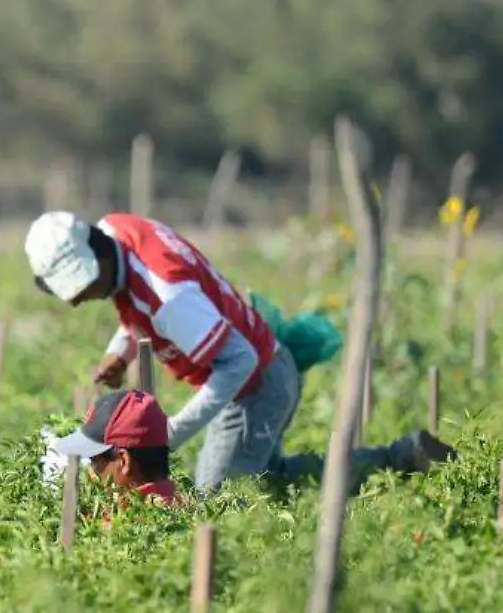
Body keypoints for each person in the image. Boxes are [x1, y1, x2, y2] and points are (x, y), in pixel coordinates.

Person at [24, 210, 454, 496]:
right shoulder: (118, 232)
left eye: (82, 288)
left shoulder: (171, 299)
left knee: (216, 499)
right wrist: (121, 351)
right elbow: (132, 299)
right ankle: (402, 458)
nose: (79, 301)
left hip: (255, 386)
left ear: (97, 255)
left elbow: (239, 361)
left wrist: (171, 432)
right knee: (266, 479)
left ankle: (397, 462)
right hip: (264, 364)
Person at [50, 388, 184, 508]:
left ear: (124, 461)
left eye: (94, 461)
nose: (91, 471)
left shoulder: (124, 527)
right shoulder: (185, 507)